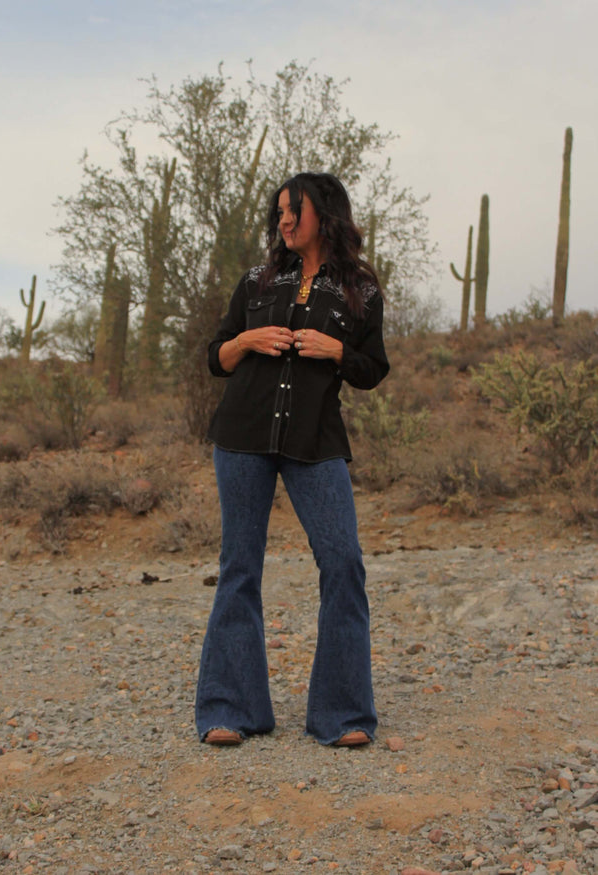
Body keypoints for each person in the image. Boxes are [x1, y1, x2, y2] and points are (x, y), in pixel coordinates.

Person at [195, 171, 390, 747]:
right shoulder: (257, 280)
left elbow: (373, 369)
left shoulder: (361, 290)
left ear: (323, 215)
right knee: (239, 567)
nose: (283, 220)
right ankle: (231, 709)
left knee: (343, 562)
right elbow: (216, 356)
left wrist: (338, 352)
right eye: (278, 211)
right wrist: (246, 342)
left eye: (293, 210)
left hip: (314, 441)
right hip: (242, 435)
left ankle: (342, 714)